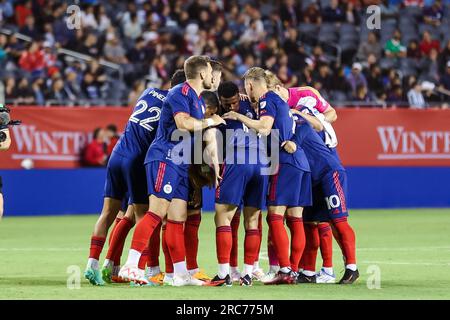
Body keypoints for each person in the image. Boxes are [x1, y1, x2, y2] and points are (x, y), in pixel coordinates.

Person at [118, 55, 225, 286]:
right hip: (164, 158)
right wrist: (210, 122)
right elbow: (183, 124)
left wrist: (214, 166)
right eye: (210, 72)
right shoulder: (180, 92)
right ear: (202, 74)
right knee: (156, 212)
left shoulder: (196, 99)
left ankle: (179, 274)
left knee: (178, 218)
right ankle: (131, 265)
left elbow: (203, 135)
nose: (212, 76)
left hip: (180, 164)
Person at [84, 70, 187, 286]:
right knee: (144, 216)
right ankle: (140, 271)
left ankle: (94, 265)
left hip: (117, 153)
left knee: (110, 213)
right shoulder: (174, 106)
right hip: (136, 159)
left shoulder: (149, 92)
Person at [223, 67, 311, 285]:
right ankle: (294, 270)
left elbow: (264, 128)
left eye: (246, 87)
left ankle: (285, 270)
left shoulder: (266, 99)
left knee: (274, 216)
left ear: (251, 85)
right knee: (295, 217)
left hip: (284, 160)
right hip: (299, 160)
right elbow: (304, 125)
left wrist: (237, 115)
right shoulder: (279, 101)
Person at [282, 116, 359, 284]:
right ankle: (308, 272)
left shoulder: (298, 123)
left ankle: (352, 268)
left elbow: (307, 127)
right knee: (309, 224)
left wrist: (293, 142)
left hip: (329, 173)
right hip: (311, 180)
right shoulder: (280, 128)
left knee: (338, 221)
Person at [208, 81, 268, 287]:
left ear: (238, 95)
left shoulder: (217, 112)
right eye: (227, 103)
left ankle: (224, 274)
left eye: (234, 101)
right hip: (261, 164)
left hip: (238, 161)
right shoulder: (251, 105)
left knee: (222, 217)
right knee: (252, 221)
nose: (231, 106)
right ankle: (247, 274)